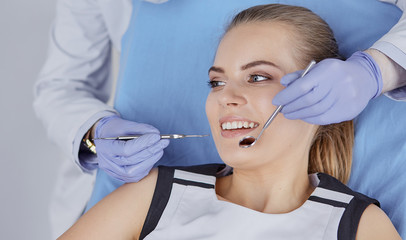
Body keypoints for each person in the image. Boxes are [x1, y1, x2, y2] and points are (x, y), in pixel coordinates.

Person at [34, 0, 406, 237]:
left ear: (318, 95)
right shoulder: (151, 199)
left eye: (258, 77)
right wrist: (94, 134)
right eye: (215, 82)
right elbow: (61, 86)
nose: (226, 97)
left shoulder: (359, 226)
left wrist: (376, 70)